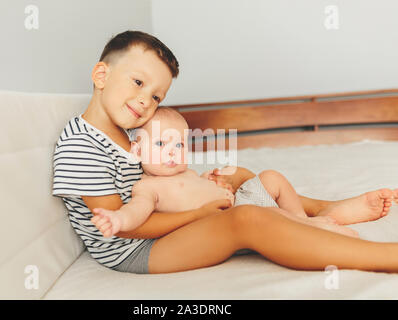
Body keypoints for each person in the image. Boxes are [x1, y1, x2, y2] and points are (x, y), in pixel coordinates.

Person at [53, 30, 398, 275]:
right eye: (138, 82)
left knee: (237, 174)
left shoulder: (129, 128)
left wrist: (204, 185)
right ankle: (381, 256)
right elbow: (125, 228)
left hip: (165, 214)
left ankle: (319, 211)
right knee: (243, 219)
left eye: (157, 96)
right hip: (139, 250)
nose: (146, 100)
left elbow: (161, 173)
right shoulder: (81, 146)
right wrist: (202, 212)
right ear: (101, 74)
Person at [90, 107, 360, 239]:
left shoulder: (184, 173)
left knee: (271, 177)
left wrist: (209, 181)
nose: (172, 152)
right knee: (268, 215)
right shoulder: (147, 188)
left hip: (240, 199)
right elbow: (137, 211)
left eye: (180, 145)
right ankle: (312, 228)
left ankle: (300, 216)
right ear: (137, 151)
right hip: (235, 218)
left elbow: (196, 188)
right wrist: (118, 220)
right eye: (161, 144)